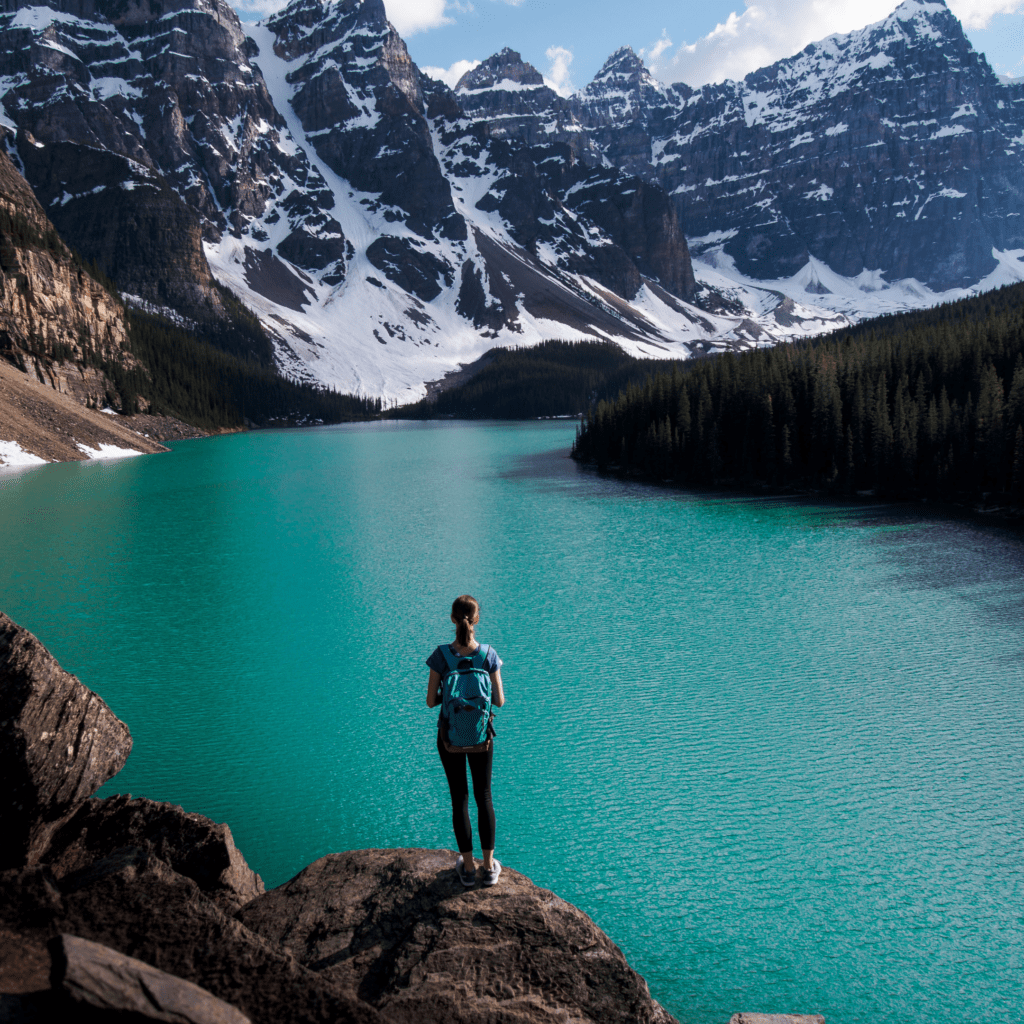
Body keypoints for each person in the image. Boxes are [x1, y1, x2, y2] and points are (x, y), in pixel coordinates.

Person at [426, 594, 505, 888]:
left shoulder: (441, 656)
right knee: (484, 796)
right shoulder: (488, 656)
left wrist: (450, 696)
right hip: (482, 736)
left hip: (450, 737)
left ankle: (468, 870)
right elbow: (498, 700)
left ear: (451, 618)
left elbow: (430, 702)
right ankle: (489, 868)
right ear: (477, 619)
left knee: (459, 797)